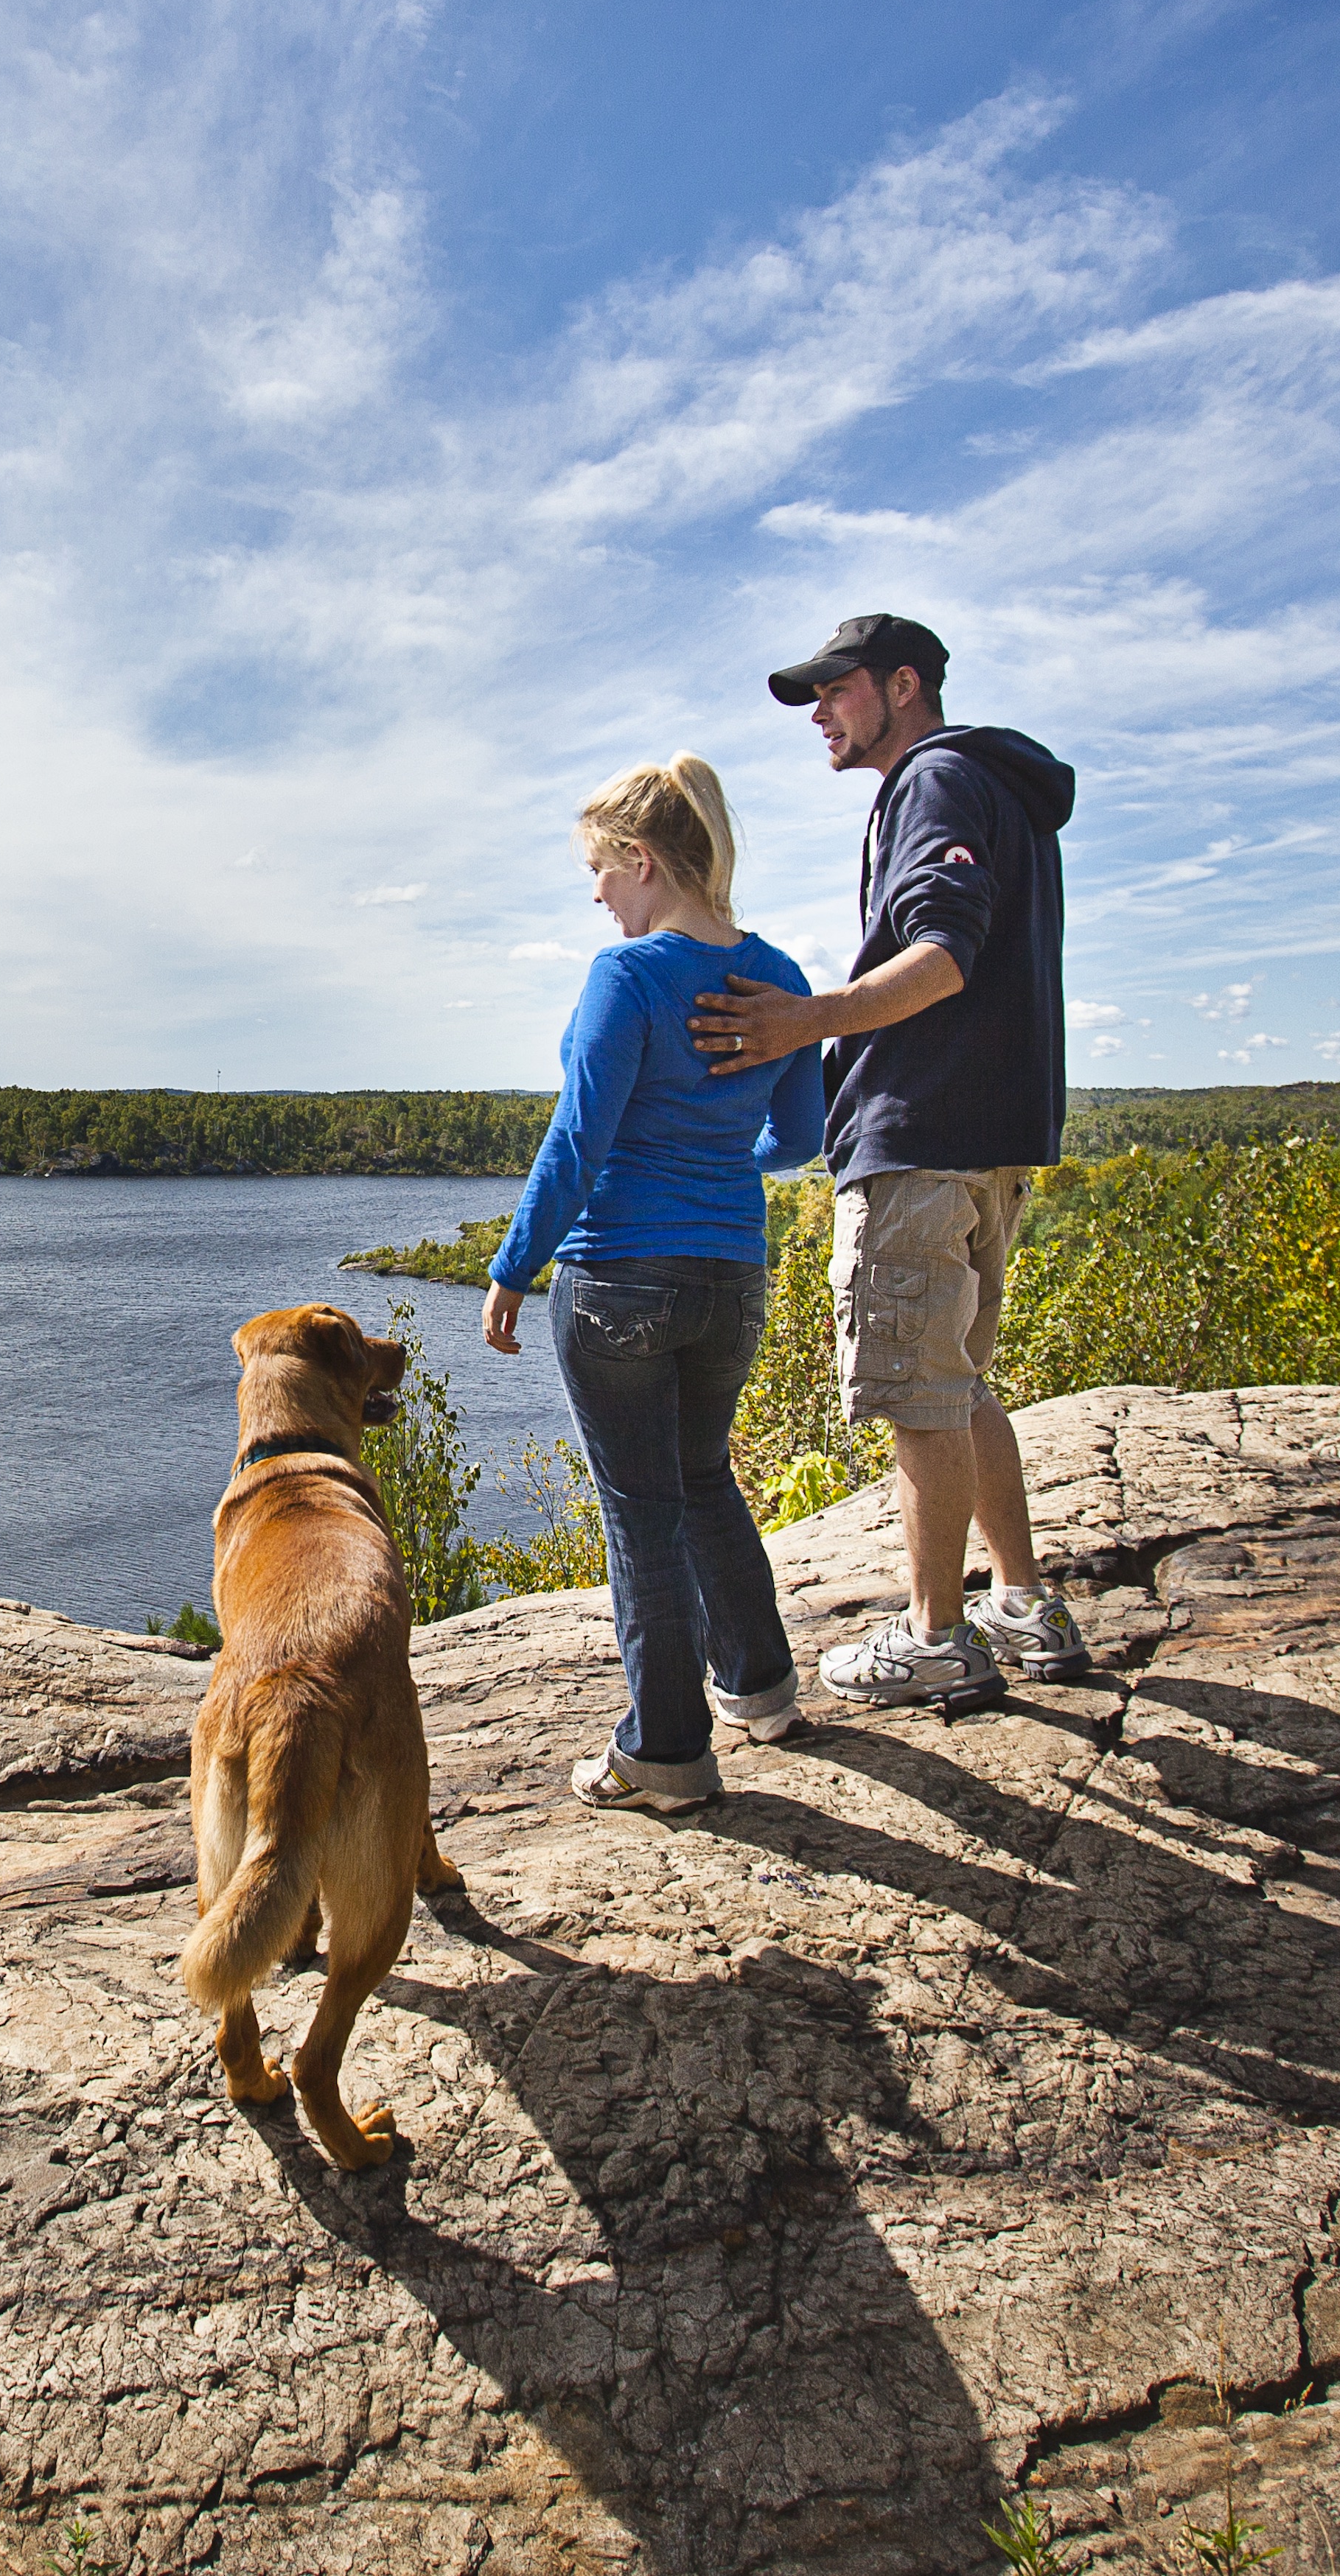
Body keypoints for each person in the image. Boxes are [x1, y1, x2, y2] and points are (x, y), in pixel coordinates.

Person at [689, 612, 1081, 1709]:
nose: (819, 714)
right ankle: (1024, 1601)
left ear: (904, 686)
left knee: (918, 1393)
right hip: (991, 1137)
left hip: (926, 1132)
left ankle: (937, 1636)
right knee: (955, 1384)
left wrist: (805, 1022)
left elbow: (943, 954)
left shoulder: (934, 784)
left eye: (836, 690)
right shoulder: (995, 787)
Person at [479, 755, 830, 1812]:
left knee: (639, 1511)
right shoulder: (781, 976)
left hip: (618, 1279)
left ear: (641, 859)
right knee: (704, 1478)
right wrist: (718, 1167)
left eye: (599, 868)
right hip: (730, 1274)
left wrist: (510, 1268)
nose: (596, 894)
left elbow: (577, 1142)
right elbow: (803, 1136)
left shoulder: (624, 977)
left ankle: (666, 1753)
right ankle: (762, 1690)